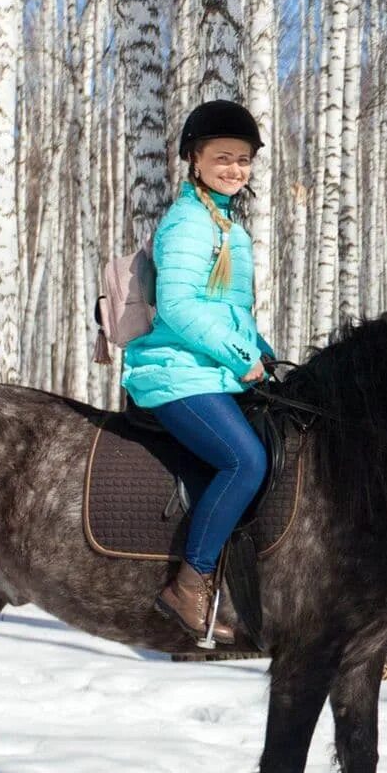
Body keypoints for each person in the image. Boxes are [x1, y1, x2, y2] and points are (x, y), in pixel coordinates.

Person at [121, 101, 277, 645]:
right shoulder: (188, 223)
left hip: (210, 370)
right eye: (222, 158)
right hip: (174, 372)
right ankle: (189, 584)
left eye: (243, 160)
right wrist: (242, 355)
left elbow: (228, 311)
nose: (234, 169)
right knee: (244, 460)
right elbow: (182, 308)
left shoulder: (227, 225)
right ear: (194, 159)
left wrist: (265, 352)